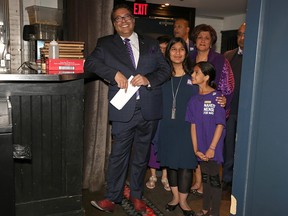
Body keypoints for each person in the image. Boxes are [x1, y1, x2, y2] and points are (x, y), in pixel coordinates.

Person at [84, 4, 171, 214]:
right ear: (114, 24)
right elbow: (90, 63)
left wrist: (148, 79)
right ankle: (112, 197)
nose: (123, 21)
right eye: (118, 18)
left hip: (149, 109)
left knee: (142, 156)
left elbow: (165, 69)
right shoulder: (105, 44)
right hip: (123, 110)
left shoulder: (150, 43)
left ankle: (137, 196)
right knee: (118, 156)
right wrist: (113, 74)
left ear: (133, 20)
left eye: (127, 17)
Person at [189, 24, 234, 197]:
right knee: (196, 145)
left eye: (206, 38)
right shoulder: (189, 57)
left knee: (210, 146)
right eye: (200, 37)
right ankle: (198, 180)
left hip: (211, 110)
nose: (202, 40)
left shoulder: (220, 60)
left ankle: (208, 185)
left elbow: (229, 85)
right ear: (195, 39)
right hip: (193, 107)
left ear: (212, 42)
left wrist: (224, 101)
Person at [158, 37, 199, 216]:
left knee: (186, 164)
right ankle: (175, 197)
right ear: (168, 53)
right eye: (173, 49)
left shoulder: (194, 76)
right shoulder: (161, 76)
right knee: (171, 163)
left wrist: (219, 100)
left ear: (186, 52)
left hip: (188, 127)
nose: (177, 52)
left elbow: (207, 93)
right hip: (166, 125)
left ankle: (183, 201)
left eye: (181, 49)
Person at [186, 61, 226, 216]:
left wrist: (212, 148)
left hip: (213, 148)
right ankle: (205, 208)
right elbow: (193, 126)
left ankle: (215, 212)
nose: (193, 75)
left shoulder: (217, 97)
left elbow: (220, 124)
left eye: (196, 72)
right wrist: (196, 149)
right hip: (201, 148)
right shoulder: (193, 100)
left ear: (207, 77)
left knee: (215, 180)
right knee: (205, 178)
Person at [222, 22, 246, 190]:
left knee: (244, 148)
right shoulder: (228, 55)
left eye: (245, 34)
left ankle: (243, 179)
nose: (241, 37)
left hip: (248, 113)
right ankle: (228, 179)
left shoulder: (257, 56)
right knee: (228, 146)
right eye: (239, 34)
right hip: (230, 110)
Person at [146, 35, 171, 191]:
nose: (162, 52)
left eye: (165, 49)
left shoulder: (173, 67)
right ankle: (153, 175)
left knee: (166, 142)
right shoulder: (149, 66)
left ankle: (165, 176)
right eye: (159, 48)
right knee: (152, 141)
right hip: (153, 108)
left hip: (168, 110)